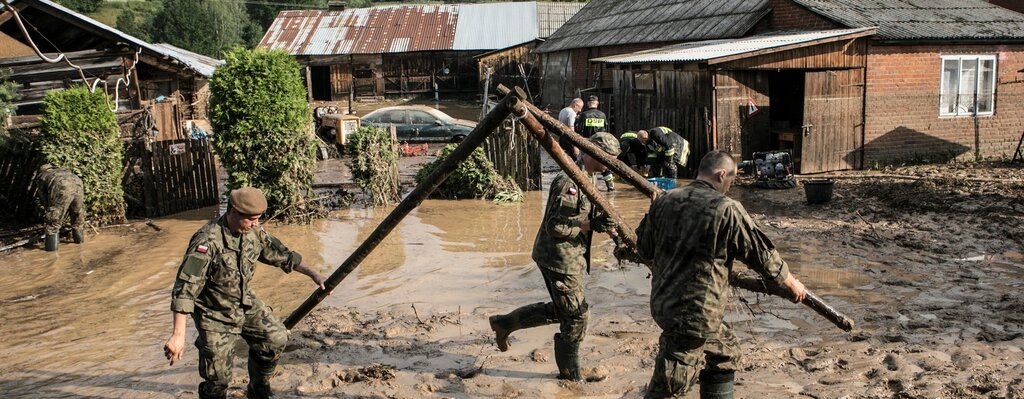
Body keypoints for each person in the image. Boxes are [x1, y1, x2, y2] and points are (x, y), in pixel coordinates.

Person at [636, 151, 807, 399]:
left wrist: (651, 213)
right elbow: (762, 256)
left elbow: (644, 249)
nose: (729, 187)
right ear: (721, 174)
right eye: (731, 181)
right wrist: (792, 284)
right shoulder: (726, 209)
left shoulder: (665, 200)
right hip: (694, 313)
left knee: (726, 353)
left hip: (666, 303)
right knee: (670, 386)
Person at [163, 187, 330, 399]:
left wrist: (314, 274)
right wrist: (178, 335)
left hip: (245, 303)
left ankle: (258, 389)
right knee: (218, 378)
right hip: (215, 315)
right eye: (250, 219)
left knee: (275, 338)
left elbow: (282, 256)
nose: (255, 224)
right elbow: (184, 289)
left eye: (258, 219)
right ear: (233, 212)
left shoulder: (254, 233)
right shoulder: (207, 241)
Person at [488, 132, 621, 381]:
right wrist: (589, 226)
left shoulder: (588, 177)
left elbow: (579, 219)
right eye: (610, 158)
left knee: (565, 311)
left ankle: (504, 323)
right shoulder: (569, 182)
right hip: (559, 258)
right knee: (577, 317)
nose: (612, 164)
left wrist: (600, 222)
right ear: (594, 153)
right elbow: (556, 227)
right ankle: (571, 376)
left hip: (570, 256)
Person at [35, 163, 85, 251]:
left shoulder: (42, 176)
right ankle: (79, 243)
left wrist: (48, 210)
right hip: (78, 182)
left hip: (62, 186)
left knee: (53, 222)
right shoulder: (64, 171)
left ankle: (51, 252)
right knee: (77, 215)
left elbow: (42, 196)